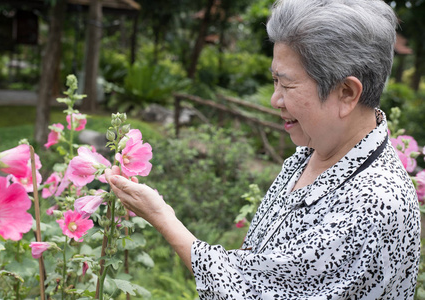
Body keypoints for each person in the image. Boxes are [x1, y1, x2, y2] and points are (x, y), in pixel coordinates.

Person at [105, 0, 421, 298]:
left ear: (347, 92)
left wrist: (162, 217)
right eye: (274, 82)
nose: (275, 100)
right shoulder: (311, 154)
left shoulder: (374, 204)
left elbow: (253, 290)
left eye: (287, 85)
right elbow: (261, 267)